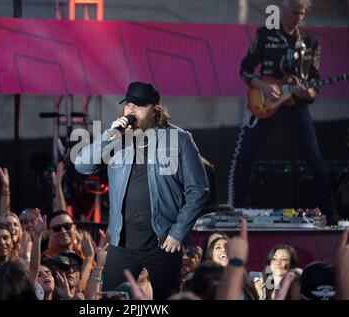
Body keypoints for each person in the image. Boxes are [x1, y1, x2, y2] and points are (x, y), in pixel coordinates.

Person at [75, 81, 209, 299]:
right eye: (128, 105)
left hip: (163, 244)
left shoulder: (179, 139)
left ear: (155, 109)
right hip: (122, 243)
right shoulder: (117, 138)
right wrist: (110, 135)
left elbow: (199, 190)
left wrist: (178, 232)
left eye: (138, 106)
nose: (131, 110)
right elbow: (82, 165)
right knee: (112, 299)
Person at [231, 0, 339, 225]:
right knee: (245, 155)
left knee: (315, 158)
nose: (297, 17)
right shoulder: (264, 35)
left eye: (301, 13)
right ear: (283, 9)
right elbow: (244, 70)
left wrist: (306, 93)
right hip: (266, 104)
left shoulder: (310, 43)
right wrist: (262, 86)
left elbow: (314, 85)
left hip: (295, 107)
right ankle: (240, 210)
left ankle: (331, 212)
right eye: (294, 12)